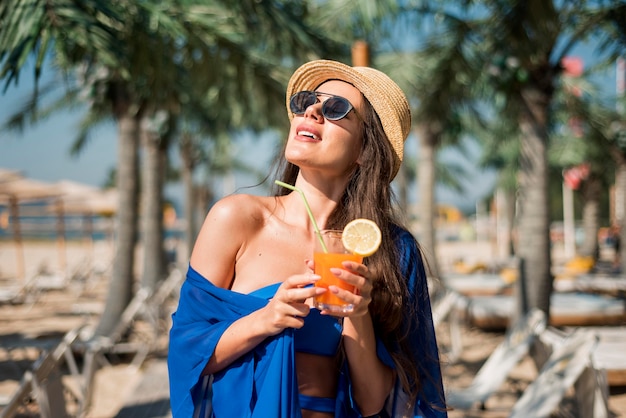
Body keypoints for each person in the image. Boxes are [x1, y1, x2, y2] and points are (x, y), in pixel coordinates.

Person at [168, 59, 448, 418]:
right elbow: (186, 354)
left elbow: (376, 401)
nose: (312, 111)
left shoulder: (390, 250)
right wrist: (267, 318)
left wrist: (358, 314)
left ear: (364, 150)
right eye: (305, 102)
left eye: (336, 109)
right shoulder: (236, 217)